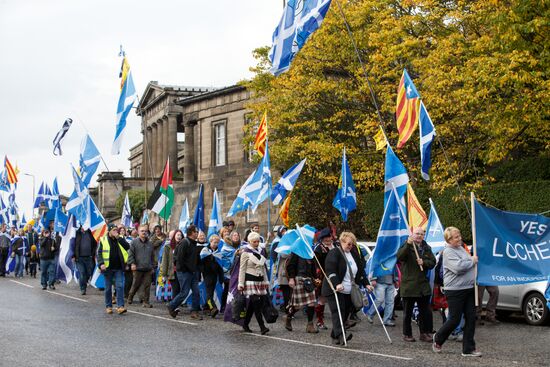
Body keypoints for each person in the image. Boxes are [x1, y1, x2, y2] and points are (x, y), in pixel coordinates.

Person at [433, 227, 481, 357]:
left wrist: (470, 260)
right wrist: (471, 260)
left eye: (459, 235)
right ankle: (438, 338)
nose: (459, 238)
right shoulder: (448, 252)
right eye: (456, 237)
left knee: (471, 318)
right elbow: (458, 267)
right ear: (449, 240)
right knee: (454, 319)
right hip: (455, 290)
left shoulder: (460, 249)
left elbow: (466, 264)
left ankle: (468, 349)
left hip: (468, 288)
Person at [322, 232, 371, 345]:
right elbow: (330, 270)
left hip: (349, 290)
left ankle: (335, 334)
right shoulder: (334, 253)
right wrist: (336, 283)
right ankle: (342, 335)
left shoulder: (353, 254)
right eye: (348, 244)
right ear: (341, 242)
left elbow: (360, 270)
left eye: (352, 244)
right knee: (338, 312)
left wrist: (366, 283)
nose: (350, 246)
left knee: (345, 314)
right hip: (334, 289)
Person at [397, 227, 436, 342]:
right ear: (412, 234)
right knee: (407, 313)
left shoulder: (426, 247)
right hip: (409, 285)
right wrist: (408, 244)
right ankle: (407, 334)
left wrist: (424, 262)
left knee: (425, 312)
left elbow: (433, 262)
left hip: (422, 286)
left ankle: (424, 333)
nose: (419, 236)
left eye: (421, 234)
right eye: (417, 234)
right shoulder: (406, 246)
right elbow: (400, 257)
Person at [167, 225, 203, 320]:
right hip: (184, 272)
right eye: (196, 232)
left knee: (196, 292)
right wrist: (184, 269)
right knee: (184, 292)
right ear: (191, 232)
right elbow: (179, 258)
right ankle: (171, 305)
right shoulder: (184, 242)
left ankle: (194, 311)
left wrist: (198, 268)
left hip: (193, 272)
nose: (197, 233)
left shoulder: (194, 243)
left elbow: (196, 258)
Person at [237, 232, 269, 334]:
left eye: (258, 241)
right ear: (250, 242)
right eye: (254, 241)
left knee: (252, 304)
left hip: (259, 280)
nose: (256, 243)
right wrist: (241, 283)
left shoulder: (260, 251)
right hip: (249, 280)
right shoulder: (245, 252)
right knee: (256, 303)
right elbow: (242, 269)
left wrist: (266, 281)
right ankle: (262, 326)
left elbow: (263, 268)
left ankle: (245, 324)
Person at [97, 224, 129, 315]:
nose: (116, 232)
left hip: (119, 267)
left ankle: (120, 306)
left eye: (116, 230)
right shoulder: (103, 240)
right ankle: (109, 306)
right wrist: (101, 263)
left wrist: (118, 237)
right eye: (114, 230)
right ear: (109, 231)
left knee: (120, 286)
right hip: (108, 268)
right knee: (108, 288)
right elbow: (99, 253)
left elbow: (127, 247)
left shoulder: (121, 238)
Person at [286, 251, 319, 334]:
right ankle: (289, 317)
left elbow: (313, 267)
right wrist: (291, 278)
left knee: (311, 303)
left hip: (309, 280)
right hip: (298, 279)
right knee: (297, 307)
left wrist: (315, 277)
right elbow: (290, 266)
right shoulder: (296, 252)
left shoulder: (309, 252)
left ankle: (310, 325)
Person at [127, 224, 156, 308]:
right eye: (142, 231)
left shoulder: (150, 243)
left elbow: (153, 256)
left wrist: (153, 266)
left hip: (148, 268)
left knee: (147, 285)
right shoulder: (134, 242)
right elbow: (131, 254)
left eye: (145, 231)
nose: (144, 232)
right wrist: (132, 263)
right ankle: (130, 296)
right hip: (137, 268)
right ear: (138, 232)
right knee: (136, 284)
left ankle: (146, 302)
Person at [313, 228, 335, 330]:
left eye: (329, 237)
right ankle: (319, 321)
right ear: (322, 238)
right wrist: (319, 276)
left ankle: (343, 321)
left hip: (336, 276)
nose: (327, 239)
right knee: (322, 299)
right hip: (324, 277)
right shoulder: (318, 249)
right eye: (325, 238)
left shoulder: (336, 246)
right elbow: (316, 265)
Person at [200, 234, 224, 317]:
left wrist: (221, 277)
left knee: (210, 292)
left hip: (215, 275)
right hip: (207, 275)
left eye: (217, 243)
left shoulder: (218, 252)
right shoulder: (205, 250)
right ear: (210, 242)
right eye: (214, 242)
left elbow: (220, 266)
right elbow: (201, 263)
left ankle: (205, 307)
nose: (216, 244)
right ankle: (213, 308)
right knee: (209, 293)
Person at [159, 230, 182, 301]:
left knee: (180, 289)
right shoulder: (168, 247)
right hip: (172, 271)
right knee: (175, 289)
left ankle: (175, 304)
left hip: (181, 271)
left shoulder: (183, 246)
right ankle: (173, 306)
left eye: (180, 235)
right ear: (174, 236)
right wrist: (163, 274)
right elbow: (164, 261)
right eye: (178, 235)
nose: (179, 237)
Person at [73, 227, 97, 295]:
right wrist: (73, 255)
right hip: (79, 258)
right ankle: (83, 288)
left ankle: (85, 282)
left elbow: (94, 243)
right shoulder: (76, 233)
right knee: (82, 273)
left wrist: (92, 254)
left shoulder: (90, 233)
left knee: (89, 273)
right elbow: (72, 245)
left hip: (89, 257)